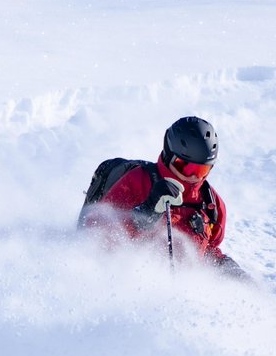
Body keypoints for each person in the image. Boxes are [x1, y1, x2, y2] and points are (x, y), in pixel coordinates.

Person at [77, 116, 248, 279]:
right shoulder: (138, 181)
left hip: (183, 295)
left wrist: (229, 270)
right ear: (168, 155)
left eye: (201, 170)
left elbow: (208, 251)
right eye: (185, 168)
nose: (193, 177)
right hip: (124, 283)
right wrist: (145, 214)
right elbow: (96, 233)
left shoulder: (211, 203)